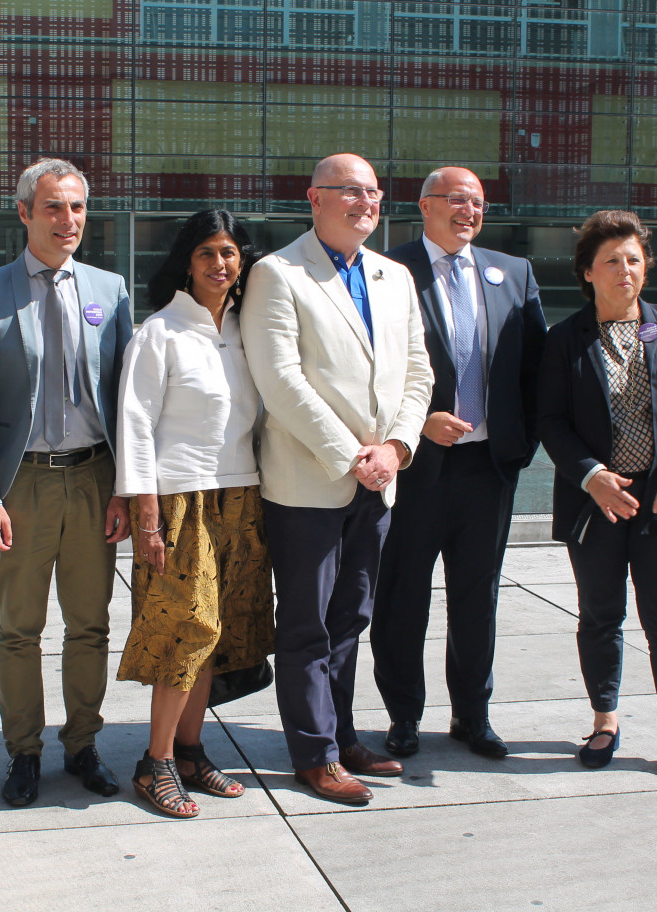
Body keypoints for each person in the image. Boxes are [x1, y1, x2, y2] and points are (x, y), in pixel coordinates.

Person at [241, 153, 434, 805]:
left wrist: (399, 447)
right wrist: (354, 453)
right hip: (309, 482)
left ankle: (343, 734)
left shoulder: (394, 276)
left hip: (379, 480)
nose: (365, 202)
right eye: (348, 191)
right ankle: (314, 754)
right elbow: (281, 380)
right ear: (313, 198)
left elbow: (418, 372)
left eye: (374, 192)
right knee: (306, 624)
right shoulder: (277, 273)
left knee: (352, 615)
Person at [0, 158, 133, 807]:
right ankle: (23, 753)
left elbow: (125, 400)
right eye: (54, 207)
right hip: (23, 485)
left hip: (93, 481)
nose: (69, 221)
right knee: (20, 627)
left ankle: (82, 743)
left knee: (90, 623)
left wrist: (126, 489)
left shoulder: (109, 289)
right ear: (25, 212)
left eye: (78, 208)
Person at [371, 167, 547, 760]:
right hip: (416, 467)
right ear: (425, 206)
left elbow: (533, 369)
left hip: (487, 470)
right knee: (402, 597)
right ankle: (402, 718)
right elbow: (369, 369)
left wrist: (518, 447)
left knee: (478, 596)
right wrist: (418, 424)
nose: (468, 211)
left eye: (477, 202)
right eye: (455, 200)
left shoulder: (513, 273)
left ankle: (473, 715)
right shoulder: (388, 272)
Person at [536, 209, 657, 789]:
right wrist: (591, 475)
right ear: (586, 271)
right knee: (601, 616)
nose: (624, 270)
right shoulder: (564, 340)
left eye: (634, 259)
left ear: (646, 268)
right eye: (611, 261)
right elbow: (551, 420)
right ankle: (605, 722)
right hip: (598, 503)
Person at [114, 209, 275, 819]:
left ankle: (188, 751)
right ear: (188, 260)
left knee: (216, 635)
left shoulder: (244, 329)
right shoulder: (160, 332)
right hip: (178, 502)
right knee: (187, 629)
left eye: (229, 253)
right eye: (207, 252)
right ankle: (153, 763)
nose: (219, 264)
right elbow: (135, 428)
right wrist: (147, 520)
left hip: (240, 495)